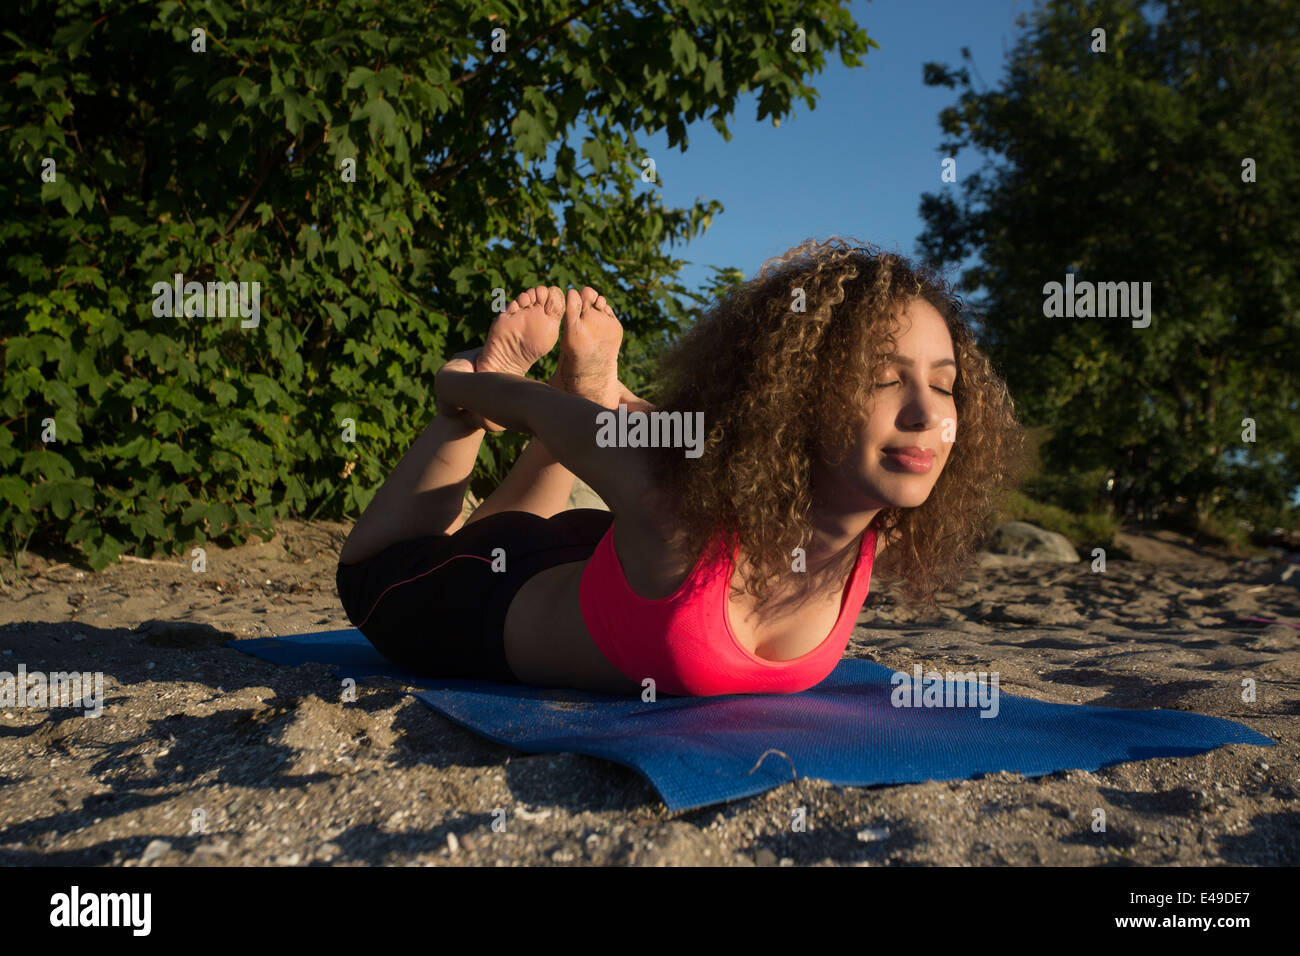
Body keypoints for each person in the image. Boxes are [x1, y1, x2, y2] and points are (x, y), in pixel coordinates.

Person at [336, 238, 1025, 697]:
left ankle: (598, 395)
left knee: (606, 451)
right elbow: (531, 409)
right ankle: (482, 404)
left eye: (944, 384)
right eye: (882, 377)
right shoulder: (662, 496)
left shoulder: (880, 520)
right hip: (444, 602)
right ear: (795, 397)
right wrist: (468, 393)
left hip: (577, 560)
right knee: (385, 563)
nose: (926, 414)